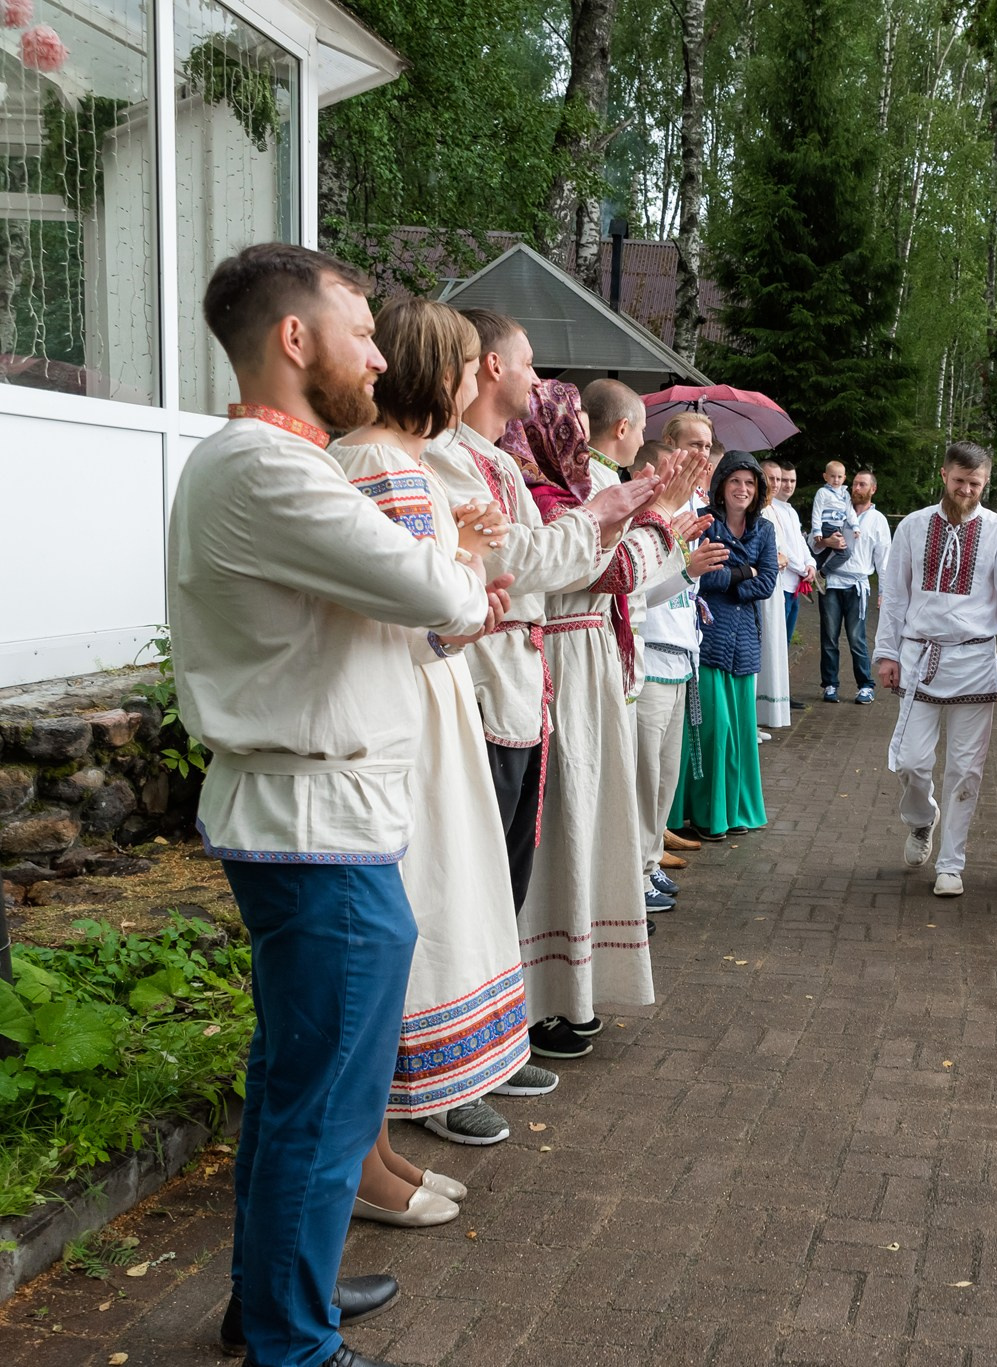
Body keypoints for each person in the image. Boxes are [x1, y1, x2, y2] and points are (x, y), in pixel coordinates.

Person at [172, 243, 499, 1367]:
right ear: (295, 340)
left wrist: (443, 562)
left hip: (317, 815)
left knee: (292, 1088)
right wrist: (449, 551)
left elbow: (425, 604)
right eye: (361, 332)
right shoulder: (273, 470)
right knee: (318, 1104)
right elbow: (440, 593)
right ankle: (289, 1341)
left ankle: (272, 1298)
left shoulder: (276, 465)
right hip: (316, 827)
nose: (379, 354)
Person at [330, 300, 535, 1180]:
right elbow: (426, 622)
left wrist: (460, 556)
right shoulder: (390, 464)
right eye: (461, 368)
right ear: (441, 376)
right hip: (414, 708)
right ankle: (374, 1151)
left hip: (418, 701)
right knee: (424, 902)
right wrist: (466, 569)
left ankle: (376, 1153)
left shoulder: (380, 458)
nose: (467, 383)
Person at [503, 381, 705, 1061]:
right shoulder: (550, 500)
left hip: (586, 660)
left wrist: (663, 527)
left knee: (585, 825)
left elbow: (618, 572)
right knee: (562, 825)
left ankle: (571, 990)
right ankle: (538, 998)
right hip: (562, 661)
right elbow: (610, 568)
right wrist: (662, 519)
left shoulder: (566, 494)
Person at [433, 311, 659, 917]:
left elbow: (555, 564)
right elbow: (517, 560)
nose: (539, 381)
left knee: (511, 869)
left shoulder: (503, 464)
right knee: (483, 871)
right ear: (492, 365)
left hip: (524, 679)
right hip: (487, 677)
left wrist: (605, 523)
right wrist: (602, 518)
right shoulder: (448, 457)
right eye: (530, 363)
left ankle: (505, 1005)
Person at [874, 441, 997, 898]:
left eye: (976, 483)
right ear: (944, 474)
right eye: (959, 480)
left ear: (986, 483)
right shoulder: (912, 526)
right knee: (910, 761)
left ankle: (951, 863)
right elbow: (895, 595)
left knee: (965, 770)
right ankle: (923, 819)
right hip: (919, 659)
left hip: (976, 660)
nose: (966, 490)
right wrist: (885, 653)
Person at [628, 428, 726, 912]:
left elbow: (682, 593)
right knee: (644, 776)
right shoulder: (637, 523)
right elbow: (635, 595)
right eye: (678, 468)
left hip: (680, 658)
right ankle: (633, 873)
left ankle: (649, 863)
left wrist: (694, 579)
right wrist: (689, 572)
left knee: (665, 775)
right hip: (649, 660)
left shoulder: (678, 520)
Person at [677, 451, 780, 838]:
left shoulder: (765, 530)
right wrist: (743, 573)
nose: (742, 489)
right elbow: (702, 579)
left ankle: (733, 812)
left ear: (758, 490)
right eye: (735, 481)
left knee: (739, 732)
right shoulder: (705, 521)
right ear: (721, 484)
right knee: (713, 730)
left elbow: (767, 583)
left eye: (750, 483)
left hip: (745, 641)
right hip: (710, 636)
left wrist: (733, 577)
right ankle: (706, 815)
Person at [815, 468, 892, 703]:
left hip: (858, 584)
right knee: (829, 637)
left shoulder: (878, 521)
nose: (856, 489)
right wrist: (826, 541)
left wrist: (884, 593)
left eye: (862, 485)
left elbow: (884, 559)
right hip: (831, 582)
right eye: (855, 484)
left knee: (857, 638)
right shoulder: (837, 508)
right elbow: (814, 544)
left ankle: (865, 685)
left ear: (873, 489)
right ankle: (829, 684)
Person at [752, 457, 799, 731]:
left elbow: (784, 547)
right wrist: (776, 559)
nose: (776, 483)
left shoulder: (776, 510)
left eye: (779, 479)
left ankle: (760, 717)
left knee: (772, 648)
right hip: (761, 589)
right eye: (771, 478)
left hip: (776, 587)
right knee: (760, 649)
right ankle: (753, 717)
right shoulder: (758, 510)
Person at [764, 457, 816, 656]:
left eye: (791, 481)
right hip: (782, 582)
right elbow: (781, 548)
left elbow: (800, 542)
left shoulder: (791, 511)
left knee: (785, 642)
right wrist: (803, 569)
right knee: (776, 644)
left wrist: (811, 563)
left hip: (795, 585)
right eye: (781, 480)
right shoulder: (769, 508)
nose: (786, 485)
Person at [811, 459, 856, 575]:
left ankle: (813, 573)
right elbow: (817, 511)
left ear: (844, 478)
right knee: (845, 554)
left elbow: (850, 511)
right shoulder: (822, 492)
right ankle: (822, 574)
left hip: (837, 527)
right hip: (827, 526)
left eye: (839, 477)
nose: (836, 480)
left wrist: (856, 527)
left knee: (826, 551)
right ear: (825, 477)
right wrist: (817, 531)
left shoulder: (845, 494)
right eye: (832, 476)